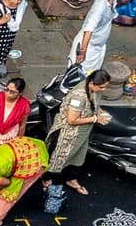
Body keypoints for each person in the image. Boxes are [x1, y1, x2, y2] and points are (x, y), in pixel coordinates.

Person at [44, 69, 109, 213]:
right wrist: (95, 118)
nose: (104, 90)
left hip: (82, 133)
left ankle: (71, 179)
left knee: (78, 155)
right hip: (68, 133)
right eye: (101, 87)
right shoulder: (78, 97)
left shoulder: (94, 90)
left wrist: (99, 112)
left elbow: (95, 103)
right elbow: (72, 120)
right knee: (58, 159)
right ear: (91, 83)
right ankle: (48, 181)